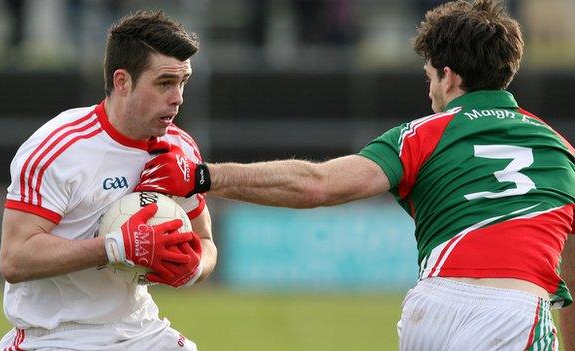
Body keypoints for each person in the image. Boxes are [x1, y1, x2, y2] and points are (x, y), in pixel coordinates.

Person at [135, 0, 575, 349]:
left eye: (429, 77)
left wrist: (203, 176)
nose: (429, 91)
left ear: (448, 75)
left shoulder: (420, 135)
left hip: (432, 313)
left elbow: (317, 184)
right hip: (515, 311)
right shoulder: (560, 150)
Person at [0, 10, 216, 351]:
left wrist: (193, 267)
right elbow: (15, 258)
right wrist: (116, 247)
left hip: (139, 328)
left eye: (183, 82)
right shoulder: (59, 148)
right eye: (164, 83)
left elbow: (205, 241)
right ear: (122, 82)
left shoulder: (179, 147)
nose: (178, 97)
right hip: (55, 335)